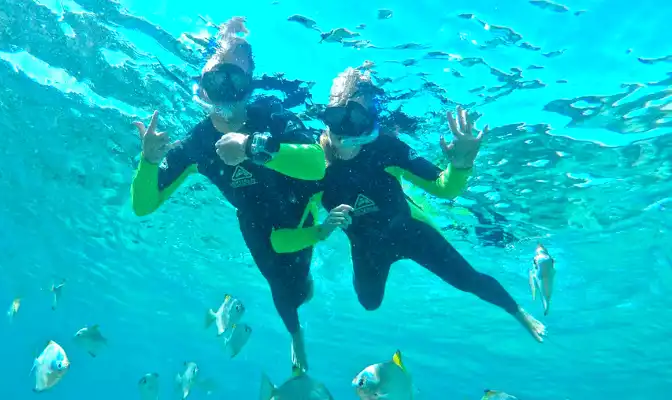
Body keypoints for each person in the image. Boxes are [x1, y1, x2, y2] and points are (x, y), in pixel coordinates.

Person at [270, 67, 546, 343]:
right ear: (327, 118)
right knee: (369, 303)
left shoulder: (386, 148)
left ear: (371, 123)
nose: (346, 131)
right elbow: (281, 240)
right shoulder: (314, 166)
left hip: (411, 231)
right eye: (338, 117)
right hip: (366, 246)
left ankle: (518, 311)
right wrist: (323, 229)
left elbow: (444, 187)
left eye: (357, 119)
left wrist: (461, 165)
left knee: (467, 280)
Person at [130, 17, 325, 369]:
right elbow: (144, 206)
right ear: (201, 88)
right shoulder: (196, 145)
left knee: (298, 281)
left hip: (301, 210)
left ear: (249, 86)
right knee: (280, 289)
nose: (226, 89)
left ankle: (303, 289)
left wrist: (253, 148)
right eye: (216, 80)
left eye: (236, 80)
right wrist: (147, 161)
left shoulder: (272, 116)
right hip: (255, 224)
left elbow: (317, 166)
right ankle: (296, 335)